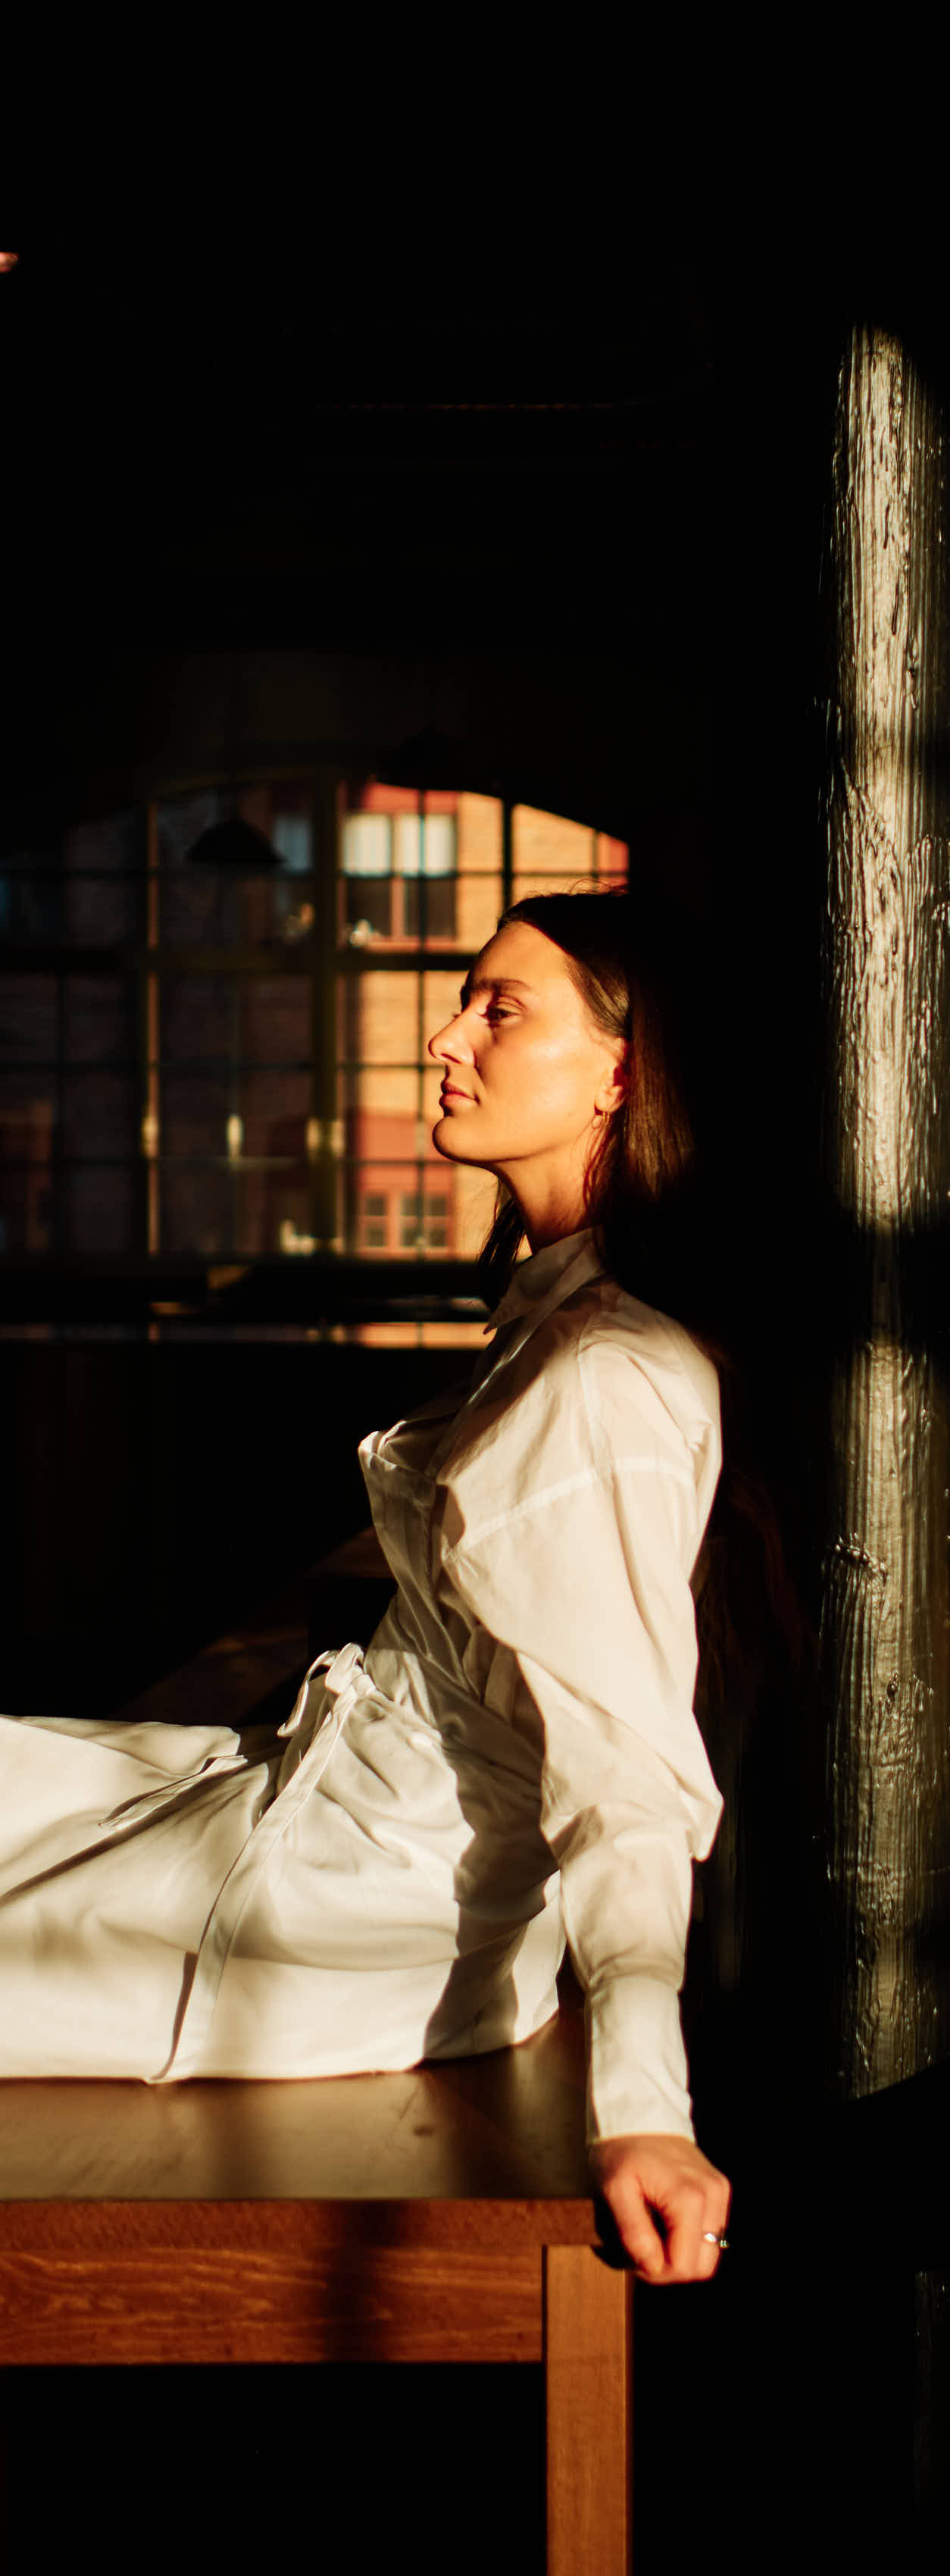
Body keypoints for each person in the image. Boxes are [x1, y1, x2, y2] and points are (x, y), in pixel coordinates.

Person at [0, 892, 733, 2283]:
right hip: (320, 1810)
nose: (443, 1038)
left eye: (499, 1010)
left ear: (623, 1073)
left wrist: (645, 2110)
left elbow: (627, 1772)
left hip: (345, 1913)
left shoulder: (609, 1381)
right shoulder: (561, 1323)